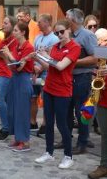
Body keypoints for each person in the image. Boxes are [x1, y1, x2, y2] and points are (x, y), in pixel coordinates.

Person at [33, 19, 81, 169]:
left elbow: (60, 66)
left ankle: (68, 156)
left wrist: (46, 57)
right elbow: (49, 66)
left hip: (63, 90)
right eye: (57, 32)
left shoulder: (75, 47)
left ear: (69, 30)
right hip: (49, 88)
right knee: (48, 123)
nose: (59, 35)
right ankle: (49, 152)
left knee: (61, 124)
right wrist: (37, 57)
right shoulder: (54, 46)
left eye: (62, 32)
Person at [65, 8, 98, 154]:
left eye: (66, 17)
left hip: (82, 78)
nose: (64, 19)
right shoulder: (68, 34)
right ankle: (66, 139)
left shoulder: (88, 35)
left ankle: (82, 143)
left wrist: (73, 61)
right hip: (68, 77)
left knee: (81, 112)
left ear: (72, 20)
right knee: (67, 110)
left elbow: (95, 58)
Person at [2, 22, 34, 151]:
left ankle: (24, 141)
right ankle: (17, 137)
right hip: (14, 79)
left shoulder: (28, 47)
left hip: (23, 79)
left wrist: (8, 54)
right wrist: (3, 55)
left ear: (23, 32)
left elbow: (20, 66)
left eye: (15, 30)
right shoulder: (16, 46)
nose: (13, 33)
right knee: (13, 110)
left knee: (22, 111)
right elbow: (11, 64)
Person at [0, 16, 18, 141]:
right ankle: (7, 126)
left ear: (12, 25)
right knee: (4, 101)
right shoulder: (4, 39)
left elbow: (12, 57)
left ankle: (6, 128)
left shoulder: (14, 40)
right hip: (0, 71)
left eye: (6, 23)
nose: (3, 25)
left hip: (6, 73)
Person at [88, 28, 107, 179]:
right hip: (104, 98)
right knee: (106, 135)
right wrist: (96, 74)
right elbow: (98, 69)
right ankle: (104, 166)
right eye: (96, 41)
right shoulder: (102, 51)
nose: (99, 44)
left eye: (101, 41)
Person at [30, 14, 59, 134]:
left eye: (40, 22)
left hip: (46, 73)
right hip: (35, 72)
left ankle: (45, 124)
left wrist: (40, 68)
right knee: (32, 97)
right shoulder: (37, 37)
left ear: (47, 22)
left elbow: (52, 58)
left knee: (46, 99)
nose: (37, 24)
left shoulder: (54, 39)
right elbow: (34, 53)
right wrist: (33, 68)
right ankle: (32, 122)